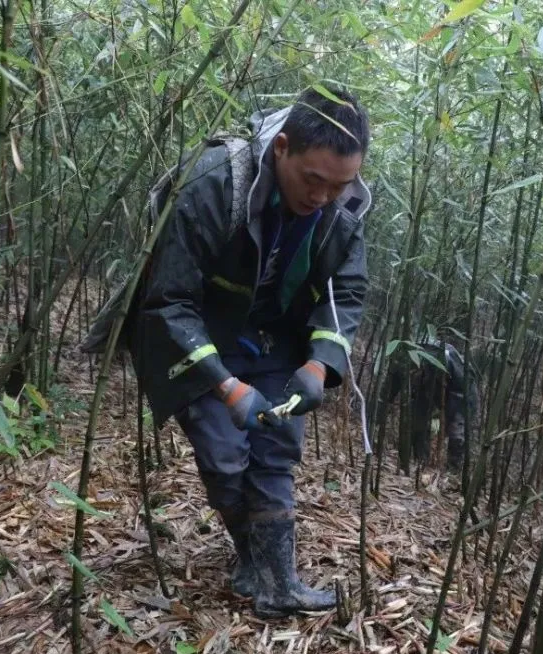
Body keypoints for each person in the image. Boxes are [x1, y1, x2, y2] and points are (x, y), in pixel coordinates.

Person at [82, 87, 371, 618]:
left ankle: (276, 581)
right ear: (281, 147)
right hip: (195, 332)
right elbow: (167, 301)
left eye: (340, 183)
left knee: (277, 450)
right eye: (314, 180)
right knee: (224, 454)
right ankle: (252, 558)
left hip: (275, 335)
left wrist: (317, 364)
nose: (324, 196)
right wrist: (227, 385)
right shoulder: (212, 183)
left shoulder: (345, 206)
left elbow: (345, 293)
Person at [386, 340, 478, 472]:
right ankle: (421, 462)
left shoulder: (454, 371)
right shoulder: (403, 360)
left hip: (460, 393)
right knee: (418, 423)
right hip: (428, 386)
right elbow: (388, 392)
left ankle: (453, 471)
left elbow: (458, 415)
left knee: (456, 433)